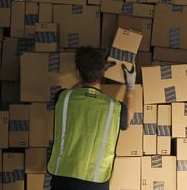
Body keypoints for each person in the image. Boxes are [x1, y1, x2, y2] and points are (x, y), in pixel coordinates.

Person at [47, 46, 136, 190]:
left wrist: (91, 75)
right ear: (102, 74)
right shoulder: (114, 108)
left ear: (78, 72)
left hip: (63, 179)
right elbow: (128, 119)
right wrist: (130, 87)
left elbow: (77, 90)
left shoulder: (63, 97)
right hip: (95, 181)